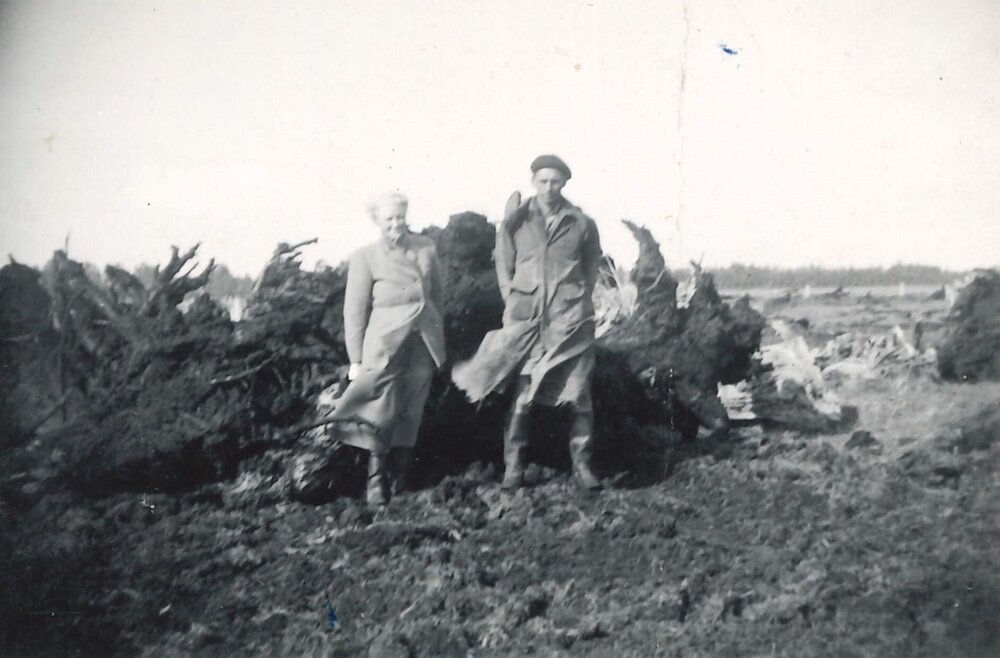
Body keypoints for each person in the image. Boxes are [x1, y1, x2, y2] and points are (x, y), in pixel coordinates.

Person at [452, 155, 603, 490]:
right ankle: (514, 469)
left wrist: (574, 300)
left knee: (579, 396)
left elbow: (591, 268)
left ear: (565, 183)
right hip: (527, 323)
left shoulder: (581, 223)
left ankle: (582, 466)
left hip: (569, 322)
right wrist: (515, 302)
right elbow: (504, 267)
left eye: (556, 181)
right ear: (533, 181)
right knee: (522, 396)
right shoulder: (516, 221)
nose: (549, 188)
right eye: (543, 181)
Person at [326, 192, 446, 506]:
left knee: (413, 406)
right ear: (377, 221)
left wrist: (435, 332)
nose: (396, 224)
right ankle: (375, 481)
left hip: (421, 340)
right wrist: (355, 359)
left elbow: (437, 296)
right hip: (384, 343)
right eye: (389, 218)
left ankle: (401, 478)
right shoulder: (365, 257)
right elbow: (354, 310)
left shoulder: (426, 248)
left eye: (400, 216)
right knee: (380, 409)